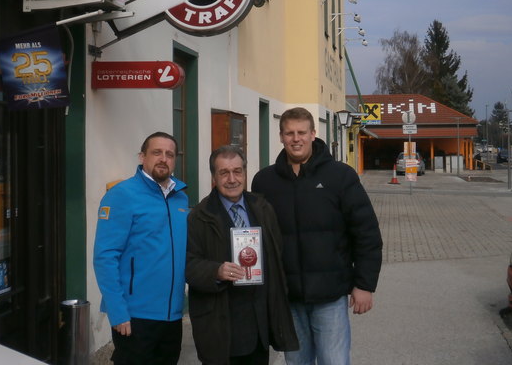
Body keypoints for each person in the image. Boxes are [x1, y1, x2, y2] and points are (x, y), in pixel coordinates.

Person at [251, 107, 383, 365]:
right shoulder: (264, 182)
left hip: (330, 297)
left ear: (313, 134)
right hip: (288, 298)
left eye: (301, 132)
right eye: (289, 133)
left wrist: (364, 284)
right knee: (297, 362)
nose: (296, 138)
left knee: (334, 361)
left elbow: (366, 233)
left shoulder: (340, 176)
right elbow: (258, 239)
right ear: (281, 136)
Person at [186, 146, 299, 365]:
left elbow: (277, 257)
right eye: (224, 172)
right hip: (221, 324)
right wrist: (216, 271)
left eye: (237, 171)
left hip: (258, 324)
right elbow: (189, 265)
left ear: (245, 173)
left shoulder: (263, 207)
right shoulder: (199, 216)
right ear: (214, 177)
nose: (232, 179)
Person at [93, 132, 189, 365]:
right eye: (157, 152)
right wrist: (117, 312)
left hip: (172, 315)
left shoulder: (181, 199)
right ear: (142, 157)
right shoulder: (122, 195)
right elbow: (105, 257)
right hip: (135, 316)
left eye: (169, 154)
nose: (163, 159)